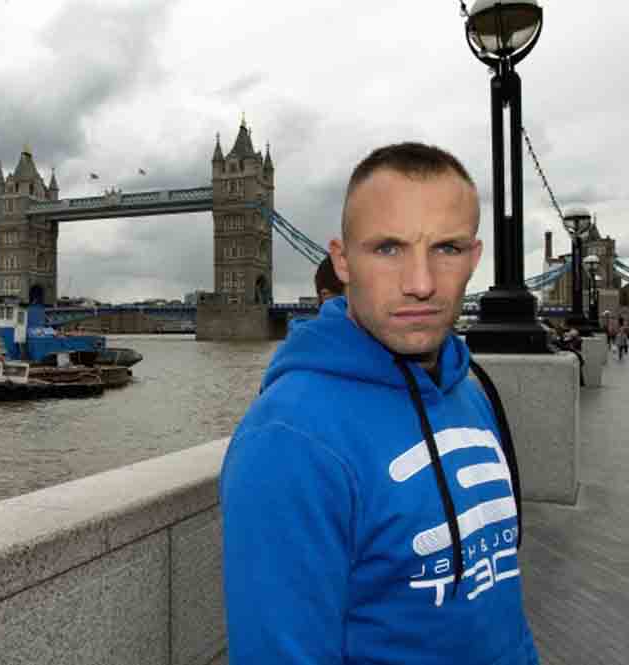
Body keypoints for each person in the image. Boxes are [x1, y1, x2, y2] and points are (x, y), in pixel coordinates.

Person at [221, 142, 538, 664]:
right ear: (342, 261)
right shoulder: (288, 443)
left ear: (475, 257)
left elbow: (498, 611)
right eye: (388, 249)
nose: (421, 284)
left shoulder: (469, 388)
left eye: (448, 249)